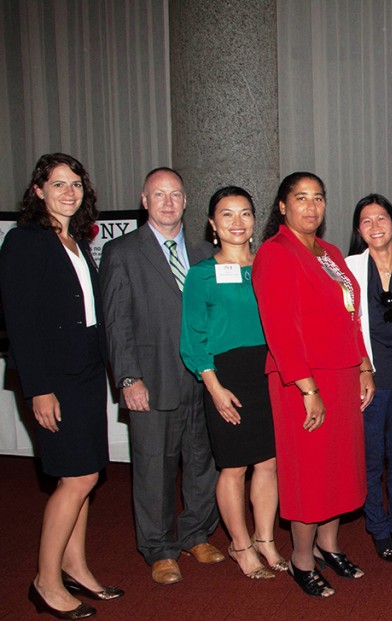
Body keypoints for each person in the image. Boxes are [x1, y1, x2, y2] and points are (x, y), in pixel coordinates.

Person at [1, 153, 122, 620]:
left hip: (88, 373)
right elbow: (21, 321)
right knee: (76, 478)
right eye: (57, 184)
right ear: (38, 192)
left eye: (75, 184)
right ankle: (45, 581)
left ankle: (76, 567)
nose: (68, 192)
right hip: (55, 379)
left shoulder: (75, 241)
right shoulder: (24, 241)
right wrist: (38, 388)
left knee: (87, 473)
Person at [252, 172, 374, 597]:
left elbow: (351, 315)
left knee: (339, 467)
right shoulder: (274, 252)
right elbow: (281, 329)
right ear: (282, 206)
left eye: (318, 198)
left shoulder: (330, 252)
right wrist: (308, 389)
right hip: (301, 381)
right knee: (309, 472)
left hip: (341, 376)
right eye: (300, 198)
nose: (311, 206)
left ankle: (329, 545)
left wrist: (364, 366)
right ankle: (301, 559)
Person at [101, 167, 222, 585]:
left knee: (203, 462)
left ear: (186, 202)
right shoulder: (123, 253)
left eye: (176, 194)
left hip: (203, 379)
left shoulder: (206, 253)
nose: (168, 202)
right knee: (154, 468)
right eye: (159, 194)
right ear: (144, 200)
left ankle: (196, 534)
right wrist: (128, 378)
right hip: (151, 379)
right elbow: (115, 323)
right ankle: (159, 548)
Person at [179, 186, 286, 580]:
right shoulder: (202, 275)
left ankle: (265, 539)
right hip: (225, 377)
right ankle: (240, 546)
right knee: (234, 467)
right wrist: (214, 387)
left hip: (268, 372)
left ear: (255, 221)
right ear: (212, 224)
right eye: (227, 214)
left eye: (244, 213)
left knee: (269, 463)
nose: (237, 222)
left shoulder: (268, 265)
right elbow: (192, 338)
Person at [345, 193, 392, 562]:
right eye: (366, 221)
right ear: (359, 230)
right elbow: (343, 327)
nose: (375, 226)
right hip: (368, 377)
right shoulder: (346, 269)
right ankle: (377, 527)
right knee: (372, 459)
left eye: (381, 218)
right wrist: (361, 368)